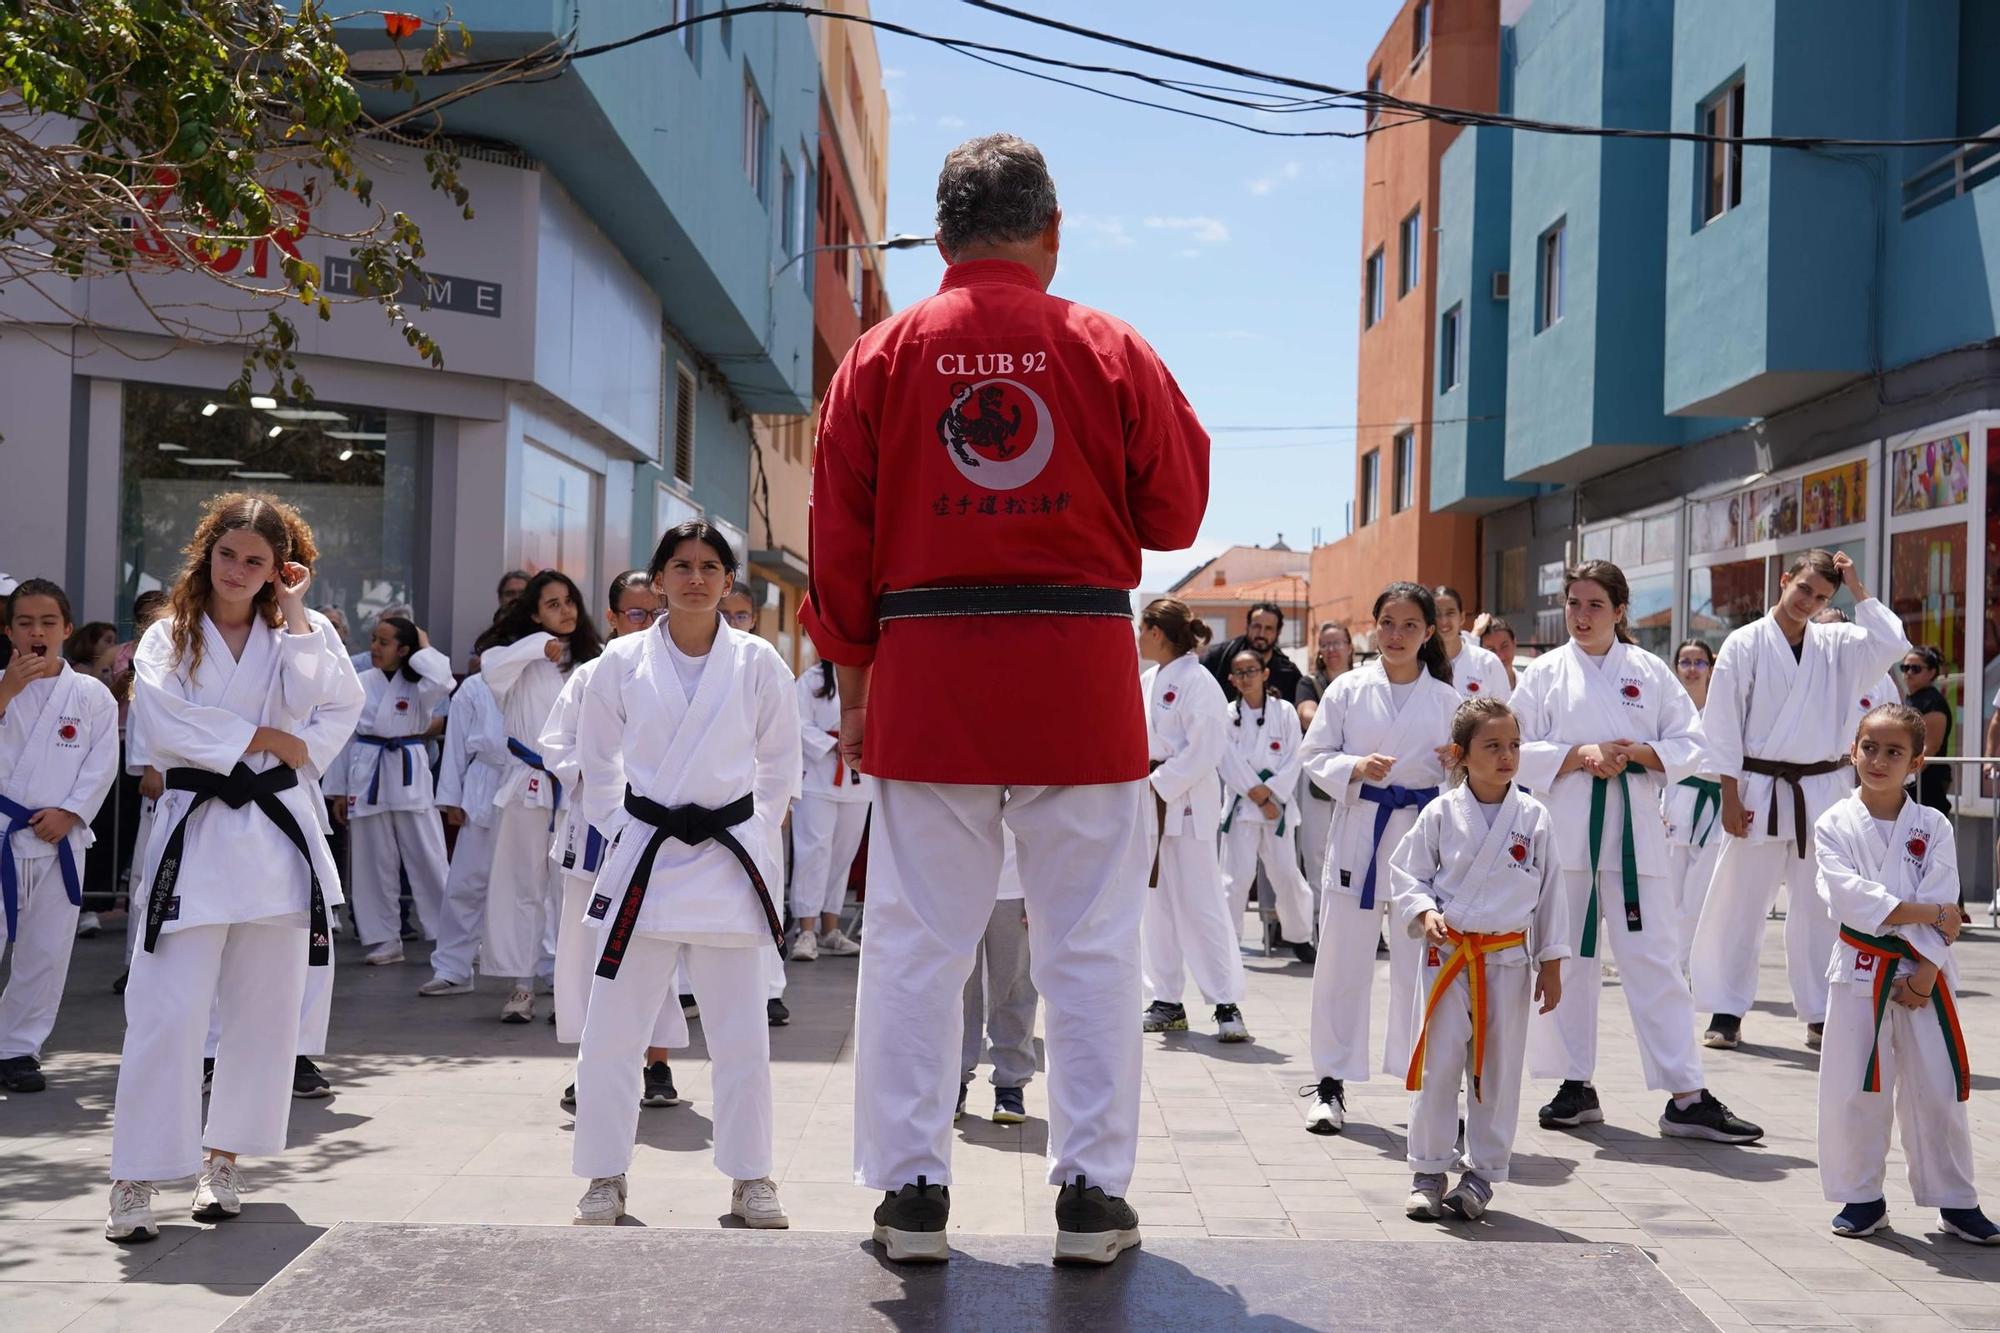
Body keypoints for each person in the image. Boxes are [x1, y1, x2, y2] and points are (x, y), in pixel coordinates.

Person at [803, 133, 1207, 1266]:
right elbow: (1174, 511)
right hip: (1076, 673)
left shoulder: (881, 354)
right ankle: (1087, 1192)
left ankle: (912, 1191)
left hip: (928, 670)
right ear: (1052, 230)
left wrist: (850, 683)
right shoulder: (1105, 344)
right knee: (1087, 943)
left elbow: (838, 541)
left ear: (937, 238)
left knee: (915, 944)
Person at [105, 493, 364, 1242]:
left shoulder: (300, 637)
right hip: (196, 833)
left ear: (282, 567)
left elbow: (333, 711)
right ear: (206, 552)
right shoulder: (168, 638)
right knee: (166, 1011)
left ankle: (224, 1158)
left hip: (275, 846)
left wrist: (299, 618)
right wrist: (268, 737)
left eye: (258, 561)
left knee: (263, 1016)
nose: (239, 571)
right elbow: (160, 723)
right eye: (229, 555)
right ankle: (135, 1174)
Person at [570, 521, 798, 1229]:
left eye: (709, 567)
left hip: (728, 859)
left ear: (730, 582)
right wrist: (627, 827)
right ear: (659, 577)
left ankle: (751, 1175)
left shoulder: (760, 661)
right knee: (611, 1033)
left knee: (740, 1035)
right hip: (647, 854)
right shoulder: (619, 661)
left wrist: (753, 833)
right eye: (681, 565)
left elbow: (781, 766)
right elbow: (596, 763)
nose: (695, 578)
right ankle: (605, 1174)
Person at [1513, 561, 1761, 1145]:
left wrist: (1639, 753)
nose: (1582, 615)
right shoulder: (1546, 673)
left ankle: (1687, 1095)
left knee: (1654, 961)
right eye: (1574, 603)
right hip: (1566, 840)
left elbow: (1691, 743)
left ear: (1620, 611)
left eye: (1595, 604)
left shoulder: (1649, 671)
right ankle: (1575, 1084)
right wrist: (1579, 754)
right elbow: (1515, 749)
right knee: (1566, 962)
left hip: (1635, 841)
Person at [1691, 549, 1907, 1053]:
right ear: (1784, 581)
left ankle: (1820, 1011)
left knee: (1819, 906)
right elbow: (1722, 722)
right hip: (1757, 788)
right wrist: (1728, 793)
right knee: (1740, 901)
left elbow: (1892, 641)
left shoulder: (1835, 644)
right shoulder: (1744, 643)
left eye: (1822, 596)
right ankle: (1726, 1008)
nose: (1809, 602)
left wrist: (1857, 585)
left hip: (1820, 791)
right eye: (1804, 589)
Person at [1815, 703, 1997, 1244]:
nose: (1878, 759)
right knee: (1856, 1086)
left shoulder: (1933, 824)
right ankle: (1862, 1195)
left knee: (1937, 1088)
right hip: (1859, 967)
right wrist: (1926, 915)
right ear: (1853, 751)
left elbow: (1946, 898)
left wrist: (1924, 974)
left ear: (1916, 762)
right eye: (1869, 747)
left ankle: (1956, 1200)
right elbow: (1849, 897)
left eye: (1894, 752)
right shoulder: (1834, 823)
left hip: (1926, 970)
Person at [1392, 698, 1566, 1222]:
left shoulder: (1533, 816)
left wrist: (1552, 959)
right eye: (1492, 746)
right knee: (1440, 1064)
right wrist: (1424, 914)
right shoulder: (1441, 813)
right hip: (1448, 956)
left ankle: (1482, 1174)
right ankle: (1427, 1170)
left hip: (1507, 957)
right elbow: (1408, 875)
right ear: (1461, 755)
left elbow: (1553, 893)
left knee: (1498, 1069)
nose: (1506, 756)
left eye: (1513, 745)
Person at [1295, 583, 1459, 1135]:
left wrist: (1456, 765)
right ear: (1374, 627)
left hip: (1420, 839)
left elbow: (1475, 771)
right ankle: (1331, 1082)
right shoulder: (1347, 688)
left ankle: (1431, 1088)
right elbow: (1313, 754)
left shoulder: (1446, 701)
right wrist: (1355, 767)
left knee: (1422, 969)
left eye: (1410, 625)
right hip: (1361, 833)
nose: (1396, 635)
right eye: (1387, 623)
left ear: (1430, 632)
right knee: (1342, 961)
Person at [541, 570, 685, 1112]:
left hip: (660, 836)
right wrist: (604, 776)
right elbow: (557, 745)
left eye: (656, 613)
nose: (648, 623)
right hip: (594, 836)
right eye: (636, 614)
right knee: (584, 956)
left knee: (656, 944)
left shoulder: (681, 674)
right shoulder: (591, 674)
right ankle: (592, 1066)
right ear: (613, 618)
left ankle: (658, 1063)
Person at [0, 579, 119, 1093]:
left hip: (59, 840)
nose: (37, 632)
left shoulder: (90, 694)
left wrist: (70, 812)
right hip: (3, 831)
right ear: (8, 631)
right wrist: (6, 691)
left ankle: (18, 1048)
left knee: (45, 951)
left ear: (67, 630)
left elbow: (101, 763)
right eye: (24, 623)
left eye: (48, 622)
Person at [477, 571, 603, 1024]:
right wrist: (537, 645)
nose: (565, 610)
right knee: (520, 886)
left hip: (576, 790)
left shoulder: (596, 660)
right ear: (533, 613)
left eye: (569, 601)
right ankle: (521, 985)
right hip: (526, 784)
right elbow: (493, 670)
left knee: (570, 889)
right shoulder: (510, 658)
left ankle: (571, 988)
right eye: (552, 604)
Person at [1138, 599, 1249, 1042]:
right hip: (1148, 802)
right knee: (1156, 906)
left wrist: (1158, 781)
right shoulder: (1149, 679)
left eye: (1141, 628)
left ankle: (1225, 1002)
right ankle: (1166, 999)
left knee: (1201, 904)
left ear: (1158, 633)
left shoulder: (1199, 681)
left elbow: (1206, 750)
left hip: (1182, 801)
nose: (1137, 636)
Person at [322, 617, 454, 966]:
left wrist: (423, 646)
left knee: (429, 859)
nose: (375, 648)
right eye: (373, 640)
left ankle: (453, 939)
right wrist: (337, 790)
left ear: (405, 649)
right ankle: (383, 938)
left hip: (408, 771)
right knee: (371, 862)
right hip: (367, 772)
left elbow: (444, 677)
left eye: (384, 642)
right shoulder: (359, 682)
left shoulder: (422, 685)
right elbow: (343, 737)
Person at [423, 639, 509, 998]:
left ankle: (548, 966)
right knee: (466, 883)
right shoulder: (474, 688)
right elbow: (455, 746)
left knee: (542, 885)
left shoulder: (545, 679)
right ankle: (453, 966)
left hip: (533, 785)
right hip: (484, 784)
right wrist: (452, 799)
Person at [1218, 648, 1315, 963]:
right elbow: (1226, 760)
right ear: (1232, 679)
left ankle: (1300, 937)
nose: (1246, 678)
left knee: (1287, 874)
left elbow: (1295, 756)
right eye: (1240, 673)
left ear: (1265, 673)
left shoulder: (1284, 711)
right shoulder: (1226, 715)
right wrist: (1258, 795)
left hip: (1277, 808)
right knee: (1235, 880)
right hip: (1244, 809)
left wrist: (1273, 795)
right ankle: (1228, 942)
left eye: (1251, 671)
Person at [958, 825, 1037, 1125]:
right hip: (962, 882)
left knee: (1014, 986)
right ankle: (953, 1081)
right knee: (959, 988)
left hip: (1016, 886)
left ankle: (1010, 1085)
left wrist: (1038, 890)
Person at [789, 659, 868, 961]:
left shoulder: (870, 674)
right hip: (818, 779)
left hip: (858, 781)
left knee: (843, 854)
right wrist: (830, 743)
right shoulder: (811, 680)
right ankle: (806, 929)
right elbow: (797, 722)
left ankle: (830, 928)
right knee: (814, 851)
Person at [1661, 639, 1723, 977]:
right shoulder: (1670, 708)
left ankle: (1691, 967)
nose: (1692, 669)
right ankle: (1671, 966)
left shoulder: (1723, 708)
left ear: (1711, 668)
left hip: (1714, 807)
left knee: (1698, 898)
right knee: (1670, 895)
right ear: (1676, 667)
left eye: (1699, 662)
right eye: (1685, 662)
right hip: (1676, 802)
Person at [1297, 622, 1354, 893]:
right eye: (1326, 644)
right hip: (1318, 783)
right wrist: (1346, 723)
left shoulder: (1364, 682)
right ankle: (1320, 925)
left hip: (1358, 780)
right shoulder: (1309, 683)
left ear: (1350, 647)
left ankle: (1372, 931)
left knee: (1358, 854)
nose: (1331, 650)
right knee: (1317, 853)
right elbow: (1306, 715)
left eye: (1337, 643)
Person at [1202, 602, 1307, 706]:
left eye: (1268, 628)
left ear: (1278, 633)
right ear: (1247, 627)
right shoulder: (1219, 657)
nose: (1261, 634)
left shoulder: (1289, 674)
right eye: (1257, 626)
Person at [1899, 646, 1954, 817]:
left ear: (1931, 672)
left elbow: (1930, 748)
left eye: (1915, 668)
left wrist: (1903, 777)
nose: (1909, 673)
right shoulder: (1910, 698)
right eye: (1905, 668)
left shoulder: (1933, 702)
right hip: (1910, 780)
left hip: (1927, 782)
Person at [1432, 588, 1511, 702]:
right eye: (1437, 614)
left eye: (1450, 613)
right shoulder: (1419, 663)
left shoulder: (1487, 662)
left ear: (1462, 617)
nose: (1444, 621)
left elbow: (1504, 712)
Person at [1474, 615, 1520, 691]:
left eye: (1504, 646)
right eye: (1491, 650)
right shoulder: (1476, 690)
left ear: (1514, 643)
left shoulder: (1528, 684)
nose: (1500, 656)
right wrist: (1475, 633)